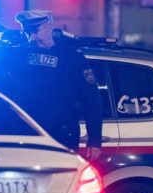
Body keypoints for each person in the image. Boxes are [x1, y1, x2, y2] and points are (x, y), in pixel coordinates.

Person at [7, 9, 102, 157]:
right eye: (27, 33)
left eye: (35, 31)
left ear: (48, 27)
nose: (31, 38)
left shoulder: (71, 57)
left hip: (61, 134)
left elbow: (92, 99)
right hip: (28, 133)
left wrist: (94, 140)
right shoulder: (18, 55)